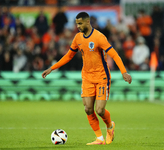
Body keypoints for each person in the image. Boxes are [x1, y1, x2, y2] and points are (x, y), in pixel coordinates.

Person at [42, 12, 132, 145]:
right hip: (87, 77)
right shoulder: (77, 38)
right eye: (76, 23)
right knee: (88, 109)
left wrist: (124, 72)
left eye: (80, 23)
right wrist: (52, 68)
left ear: (88, 22)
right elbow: (68, 56)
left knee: (99, 110)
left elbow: (114, 55)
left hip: (102, 77)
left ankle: (109, 126)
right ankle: (99, 138)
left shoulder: (99, 37)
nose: (77, 26)